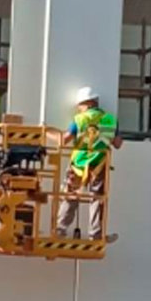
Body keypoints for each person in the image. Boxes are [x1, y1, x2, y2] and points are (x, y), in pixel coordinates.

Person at [55, 87, 122, 241]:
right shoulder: (109, 119)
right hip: (99, 163)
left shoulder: (79, 119)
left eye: (80, 105)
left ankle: (60, 229)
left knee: (71, 195)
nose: (79, 108)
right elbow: (117, 144)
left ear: (86, 103)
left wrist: (48, 133)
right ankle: (96, 234)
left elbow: (64, 140)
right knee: (97, 198)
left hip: (78, 164)